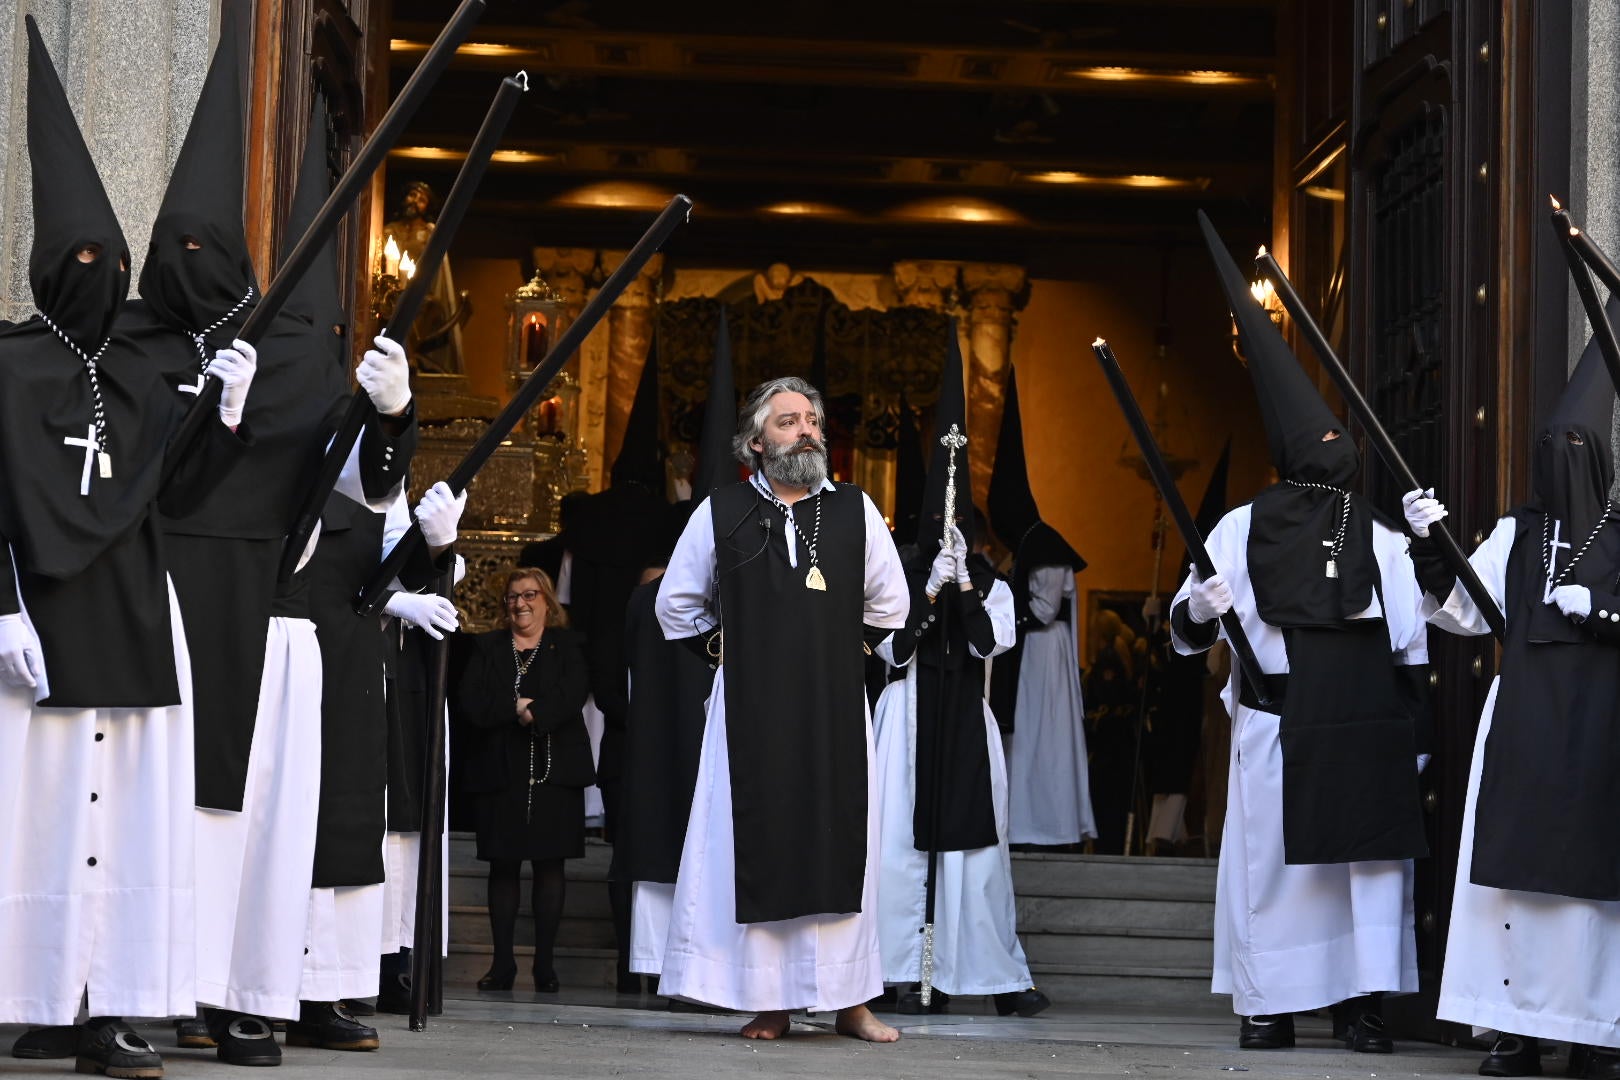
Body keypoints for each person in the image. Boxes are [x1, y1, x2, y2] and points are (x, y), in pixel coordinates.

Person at [115, 26, 418, 1064]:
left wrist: (393, 418)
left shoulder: (281, 355)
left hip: (262, 603)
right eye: (182, 249)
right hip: (158, 603)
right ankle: (159, 989)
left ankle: (245, 988)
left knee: (251, 823)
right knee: (168, 814)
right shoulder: (130, 352)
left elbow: (357, 489)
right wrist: (204, 416)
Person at [0, 18, 254, 1075]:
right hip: (37, 629)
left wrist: (224, 415)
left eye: (112, 256)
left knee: (124, 834)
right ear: (45, 265)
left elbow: (178, 494)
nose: (97, 272)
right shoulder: (9, 366)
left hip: (137, 617)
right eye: (79, 258)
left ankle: (111, 1006)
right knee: (31, 824)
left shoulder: (152, 369)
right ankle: (23, 996)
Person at [1169, 212, 1430, 1053]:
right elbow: (1181, 623)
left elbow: (1409, 638)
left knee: (1358, 874)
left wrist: (1409, 726)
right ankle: (1269, 1004)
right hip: (1275, 721)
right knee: (1275, 874)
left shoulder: (1383, 533)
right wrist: (1198, 610)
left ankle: (1359, 1007)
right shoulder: (1241, 528)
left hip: (1357, 722)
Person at [653, 375, 909, 1042]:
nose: (807, 431)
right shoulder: (722, 509)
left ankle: (852, 1002)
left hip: (832, 711)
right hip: (749, 713)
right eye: (791, 421)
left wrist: (836, 644)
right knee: (758, 839)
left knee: (837, 840)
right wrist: (726, 645)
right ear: (757, 440)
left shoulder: (853, 508)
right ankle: (771, 1002)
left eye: (814, 420)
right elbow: (675, 606)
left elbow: (893, 603)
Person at [1412, 296, 1620, 1079]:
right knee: (1514, 888)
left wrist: (1599, 609)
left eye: (1572, 442)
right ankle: (1517, 1031)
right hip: (1526, 722)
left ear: (1597, 451)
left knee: (1589, 895)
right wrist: (1432, 545)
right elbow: (1467, 611)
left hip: (1601, 726)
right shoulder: (1516, 534)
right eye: (1545, 444)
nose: (1555, 455)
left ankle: (1595, 1033)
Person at [870, 338, 1047, 1018]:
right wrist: (927, 594)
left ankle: (981, 974)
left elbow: (990, 643)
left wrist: (965, 586)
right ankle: (900, 972)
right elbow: (892, 652)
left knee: (973, 859)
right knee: (895, 854)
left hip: (966, 716)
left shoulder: (991, 585)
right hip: (908, 716)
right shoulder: (897, 580)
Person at [451, 567, 593, 993]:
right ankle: (502, 965)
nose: (520, 604)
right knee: (503, 867)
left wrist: (539, 712)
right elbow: (470, 701)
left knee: (551, 868)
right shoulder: (487, 646)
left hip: (556, 773)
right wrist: (515, 707)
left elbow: (575, 690)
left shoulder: (567, 644)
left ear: (547, 601)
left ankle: (545, 966)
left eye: (530, 595)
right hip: (501, 773)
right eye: (513, 597)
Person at [987, 367, 1096, 849]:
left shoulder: (1044, 547)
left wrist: (1004, 610)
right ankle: (1026, 821)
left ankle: (1046, 824)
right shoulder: (1030, 544)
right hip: (1030, 655)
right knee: (1027, 741)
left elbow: (1046, 609)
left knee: (1042, 739)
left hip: (1042, 656)